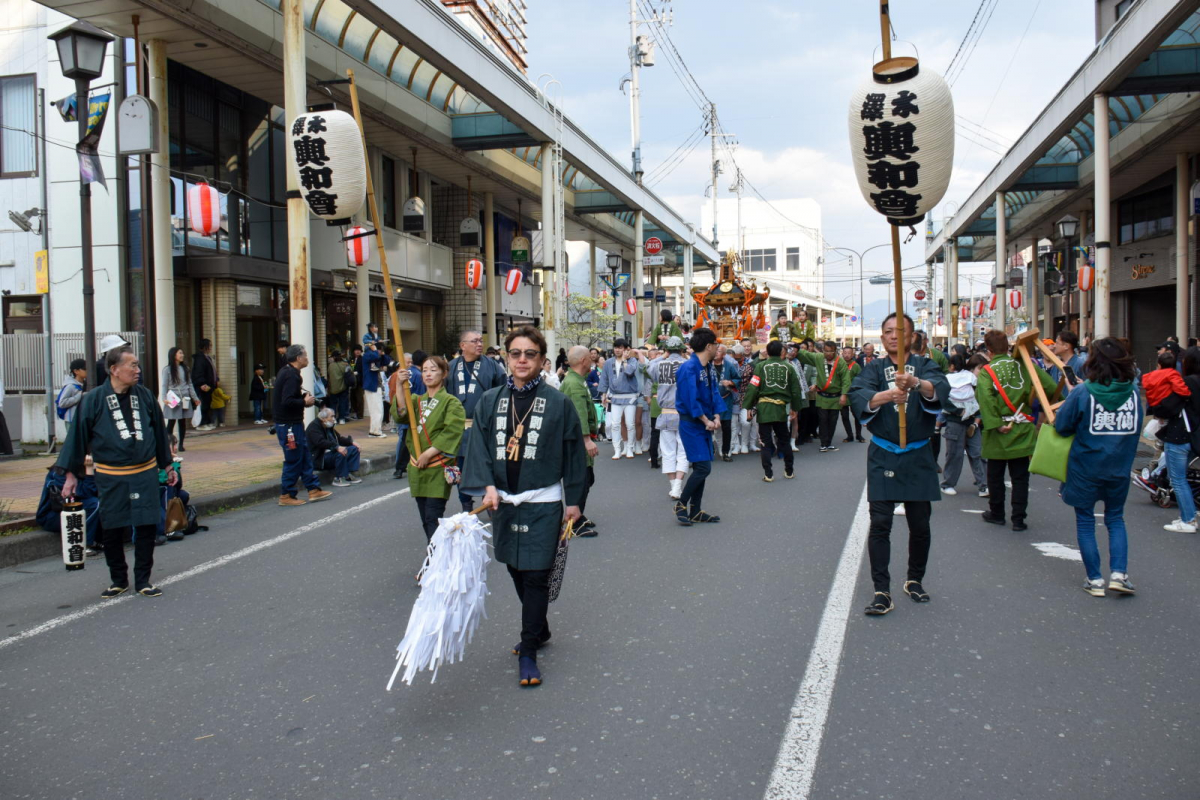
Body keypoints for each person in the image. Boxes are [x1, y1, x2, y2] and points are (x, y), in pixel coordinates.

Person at [466, 326, 587, 688]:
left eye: (529, 354)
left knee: (536, 573)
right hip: (502, 501)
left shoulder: (559, 402)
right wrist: (488, 487)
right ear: (507, 357)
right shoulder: (490, 400)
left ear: (542, 360)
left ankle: (529, 647)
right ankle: (541, 627)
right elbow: (480, 449)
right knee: (515, 567)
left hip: (543, 502)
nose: (521, 360)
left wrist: (575, 501)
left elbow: (573, 456)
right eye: (515, 353)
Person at [848, 313, 950, 616]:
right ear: (882, 339)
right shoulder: (874, 369)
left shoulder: (926, 366)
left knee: (920, 524)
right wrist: (887, 395)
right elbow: (857, 394)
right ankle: (881, 591)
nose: (894, 336)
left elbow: (942, 390)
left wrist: (917, 384)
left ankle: (914, 580)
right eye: (888, 332)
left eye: (900, 331)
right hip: (883, 453)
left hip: (919, 454)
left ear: (912, 336)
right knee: (880, 523)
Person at [56, 345, 176, 599]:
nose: (137, 370)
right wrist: (70, 475)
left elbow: (159, 434)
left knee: (145, 526)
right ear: (114, 369)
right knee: (111, 527)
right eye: (132, 365)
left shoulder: (144, 396)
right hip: (111, 475)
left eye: (137, 365)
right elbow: (77, 438)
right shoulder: (93, 399)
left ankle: (143, 579)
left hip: (144, 472)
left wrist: (167, 464)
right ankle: (118, 579)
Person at [1054, 338, 1142, 596]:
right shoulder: (1134, 394)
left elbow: (1062, 426)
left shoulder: (1084, 392)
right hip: (1119, 466)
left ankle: (1094, 580)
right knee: (1115, 518)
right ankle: (1119, 574)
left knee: (1085, 521)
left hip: (1085, 466)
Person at [975, 329, 1058, 531]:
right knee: (1020, 477)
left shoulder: (988, 370)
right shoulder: (1025, 365)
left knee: (995, 475)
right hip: (1022, 425)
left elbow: (985, 398)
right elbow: (1049, 387)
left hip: (998, 429)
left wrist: (995, 423)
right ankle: (1019, 519)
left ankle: (997, 513)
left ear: (989, 350)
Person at [446, 329, 506, 511]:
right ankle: (466, 505)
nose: (480, 344)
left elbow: (503, 394)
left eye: (481, 340)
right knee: (462, 468)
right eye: (474, 341)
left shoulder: (493, 366)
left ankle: (489, 500)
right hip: (459, 428)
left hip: (486, 427)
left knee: (487, 465)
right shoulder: (451, 367)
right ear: (463, 346)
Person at [673, 328, 725, 526]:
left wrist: (717, 416)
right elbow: (689, 399)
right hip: (691, 423)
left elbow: (714, 394)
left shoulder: (708, 367)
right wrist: (706, 420)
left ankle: (695, 510)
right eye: (716, 344)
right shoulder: (688, 368)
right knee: (703, 467)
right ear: (708, 346)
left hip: (705, 422)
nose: (718, 348)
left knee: (701, 467)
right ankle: (681, 504)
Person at [273, 344, 333, 506]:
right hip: (289, 425)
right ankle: (286, 495)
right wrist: (304, 401)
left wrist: (303, 400)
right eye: (305, 355)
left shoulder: (287, 372)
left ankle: (313, 489)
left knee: (305, 456)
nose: (307, 358)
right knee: (294, 459)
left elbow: (288, 398)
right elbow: (287, 401)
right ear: (298, 358)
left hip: (291, 423)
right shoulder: (291, 375)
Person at [1145, 348, 1198, 533]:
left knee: (1178, 479)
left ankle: (1188, 520)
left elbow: (1168, 407)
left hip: (1179, 435)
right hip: (1195, 436)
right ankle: (1189, 514)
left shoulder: (1186, 383)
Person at [742, 339, 806, 482]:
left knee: (765, 442)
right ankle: (789, 471)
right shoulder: (789, 367)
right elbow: (795, 390)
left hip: (764, 408)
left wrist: (748, 406)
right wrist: (795, 408)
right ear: (781, 352)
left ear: (768, 352)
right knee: (784, 440)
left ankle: (768, 474)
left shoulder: (760, 366)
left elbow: (753, 387)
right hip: (781, 408)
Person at [559, 346, 601, 537]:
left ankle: (579, 514)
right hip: (576, 441)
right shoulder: (574, 384)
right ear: (584, 360)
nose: (592, 359)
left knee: (587, 477)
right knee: (580, 479)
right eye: (589, 357)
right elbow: (579, 414)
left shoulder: (577, 380)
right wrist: (587, 440)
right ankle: (573, 523)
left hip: (578, 439)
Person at [941, 353, 988, 497]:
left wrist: (955, 410)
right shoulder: (971, 376)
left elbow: (943, 399)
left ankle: (949, 484)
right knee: (977, 453)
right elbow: (979, 390)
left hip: (954, 419)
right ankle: (983, 486)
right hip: (972, 417)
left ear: (952, 366)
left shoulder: (946, 379)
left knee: (955, 454)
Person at [648, 336, 690, 498]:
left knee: (668, 451)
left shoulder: (659, 364)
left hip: (665, 413)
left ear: (666, 350)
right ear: (681, 349)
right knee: (683, 451)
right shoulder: (687, 364)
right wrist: (686, 355)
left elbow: (648, 367)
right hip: (684, 414)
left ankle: (674, 486)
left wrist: (662, 356)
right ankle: (678, 485)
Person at [795, 340, 851, 453]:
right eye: (826, 351)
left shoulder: (840, 362)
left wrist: (844, 395)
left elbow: (846, 380)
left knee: (833, 421)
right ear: (823, 350)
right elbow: (805, 354)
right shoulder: (818, 357)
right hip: (822, 396)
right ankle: (823, 443)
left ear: (835, 351)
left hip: (835, 397)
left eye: (831, 351)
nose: (828, 354)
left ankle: (829, 443)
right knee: (823, 420)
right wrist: (794, 347)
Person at [37, 460, 101, 556]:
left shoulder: (81, 468)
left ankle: (99, 540)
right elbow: (86, 493)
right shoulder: (59, 473)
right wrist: (89, 470)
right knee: (94, 504)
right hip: (52, 516)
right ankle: (83, 544)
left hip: (71, 511)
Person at [599, 338, 645, 459]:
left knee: (630, 424)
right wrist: (603, 394)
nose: (617, 350)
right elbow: (604, 378)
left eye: (620, 348)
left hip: (630, 397)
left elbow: (629, 372)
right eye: (616, 347)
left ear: (626, 349)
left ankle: (630, 448)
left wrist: (624, 361)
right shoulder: (608, 362)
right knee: (615, 424)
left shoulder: (632, 361)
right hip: (615, 397)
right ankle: (617, 449)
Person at [393, 350, 427, 480]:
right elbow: (422, 395)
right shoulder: (419, 375)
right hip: (415, 410)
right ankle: (414, 462)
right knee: (414, 438)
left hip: (403, 408)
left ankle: (399, 468)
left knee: (403, 440)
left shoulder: (407, 372)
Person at [306, 408, 362, 488]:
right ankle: (339, 478)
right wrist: (337, 447)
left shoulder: (328, 426)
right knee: (340, 452)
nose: (333, 419)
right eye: (331, 416)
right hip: (319, 458)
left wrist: (351, 442)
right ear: (324, 418)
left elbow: (338, 438)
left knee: (354, 449)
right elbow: (320, 442)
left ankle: (348, 474)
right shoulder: (314, 427)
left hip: (329, 454)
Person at [160, 347, 200, 451]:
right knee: (171, 421)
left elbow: (190, 384)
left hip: (185, 398)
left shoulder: (185, 368)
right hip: (173, 398)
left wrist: (195, 398)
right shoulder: (167, 370)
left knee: (182, 422)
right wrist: (164, 398)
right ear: (173, 355)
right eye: (180, 353)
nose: (182, 355)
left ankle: (181, 444)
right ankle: (168, 444)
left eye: (182, 353)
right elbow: (164, 385)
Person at [716, 344, 741, 461]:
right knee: (709, 427)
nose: (716, 352)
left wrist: (731, 382)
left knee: (726, 427)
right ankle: (711, 449)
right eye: (715, 350)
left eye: (719, 351)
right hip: (711, 401)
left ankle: (726, 451)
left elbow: (738, 379)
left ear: (724, 354)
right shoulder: (707, 365)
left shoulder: (729, 365)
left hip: (726, 399)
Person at [839, 347, 865, 443]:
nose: (846, 355)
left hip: (853, 394)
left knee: (857, 415)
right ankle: (849, 435)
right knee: (844, 416)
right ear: (842, 354)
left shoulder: (856, 366)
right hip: (842, 393)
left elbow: (860, 380)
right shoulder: (839, 365)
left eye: (849, 353)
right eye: (845, 353)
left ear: (852, 354)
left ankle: (859, 435)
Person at [191, 338, 218, 430]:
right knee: (203, 404)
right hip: (203, 386)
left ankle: (207, 421)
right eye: (209, 345)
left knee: (207, 404)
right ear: (204, 346)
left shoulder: (207, 357)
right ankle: (201, 423)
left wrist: (216, 380)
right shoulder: (200, 358)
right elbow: (198, 372)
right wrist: (201, 383)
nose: (211, 347)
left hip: (209, 386)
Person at [362, 339, 386, 438]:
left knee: (375, 410)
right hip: (372, 386)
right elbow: (375, 355)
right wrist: (375, 349)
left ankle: (373, 430)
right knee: (377, 409)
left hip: (374, 386)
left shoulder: (374, 356)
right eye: (380, 350)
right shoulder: (367, 355)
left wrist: (383, 354)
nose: (379, 353)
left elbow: (386, 361)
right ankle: (376, 431)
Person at [56, 358, 89, 429]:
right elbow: (62, 403)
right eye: (84, 368)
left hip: (81, 419)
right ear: (76, 371)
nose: (87, 370)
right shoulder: (70, 386)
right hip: (71, 420)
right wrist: (79, 396)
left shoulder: (85, 384)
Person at [326, 350, 349, 424]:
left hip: (333, 388)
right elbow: (349, 374)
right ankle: (342, 418)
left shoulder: (330, 366)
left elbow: (329, 376)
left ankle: (333, 418)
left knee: (333, 404)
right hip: (343, 387)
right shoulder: (344, 364)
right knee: (342, 403)